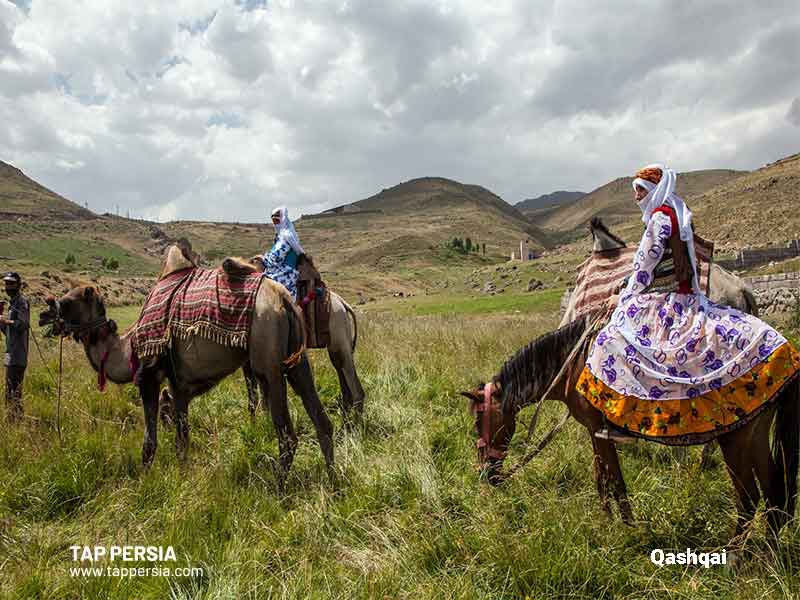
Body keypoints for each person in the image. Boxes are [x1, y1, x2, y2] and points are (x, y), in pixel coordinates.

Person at [576, 164, 800, 442]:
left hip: (666, 300)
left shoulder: (659, 220)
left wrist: (621, 296)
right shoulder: (678, 213)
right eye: (635, 191)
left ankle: (621, 420)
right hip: (683, 294)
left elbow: (644, 268)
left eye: (640, 190)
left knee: (610, 338)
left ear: (653, 190)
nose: (636, 197)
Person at [0, 272, 29, 422]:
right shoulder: (12, 304)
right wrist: (1, 322)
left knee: (14, 393)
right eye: (6, 283)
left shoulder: (22, 303)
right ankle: (13, 421)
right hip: (10, 354)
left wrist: (6, 321)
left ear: (18, 285)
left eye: (11, 283)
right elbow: (8, 332)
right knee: (9, 393)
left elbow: (23, 324)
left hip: (18, 356)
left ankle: (16, 422)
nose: (8, 286)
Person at [263, 207, 305, 300]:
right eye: (274, 221)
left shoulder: (286, 236)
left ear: (283, 219)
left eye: (277, 221)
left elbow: (275, 259)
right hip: (280, 269)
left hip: (285, 273)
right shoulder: (280, 236)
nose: (275, 224)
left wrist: (263, 259)